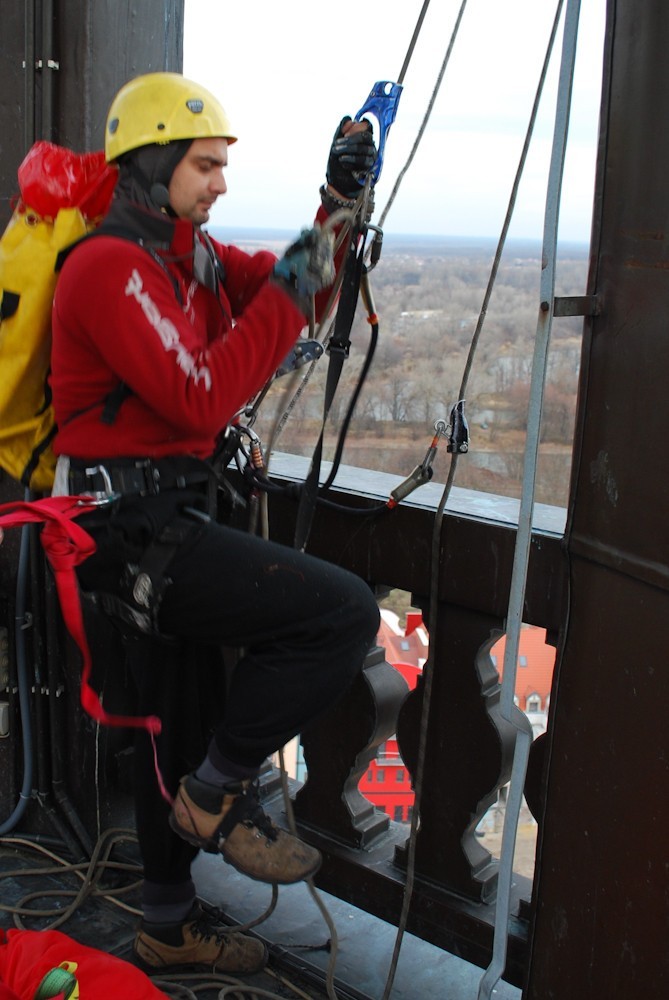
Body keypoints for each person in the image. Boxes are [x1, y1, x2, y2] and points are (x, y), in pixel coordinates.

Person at [49, 72, 381, 976]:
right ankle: (218, 794)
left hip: (157, 518)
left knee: (170, 725)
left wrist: (336, 210)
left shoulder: (181, 253)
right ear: (153, 165)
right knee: (341, 614)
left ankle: (166, 922)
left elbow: (285, 288)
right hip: (127, 529)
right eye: (205, 165)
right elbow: (203, 394)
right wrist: (282, 297)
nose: (220, 183)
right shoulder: (108, 267)